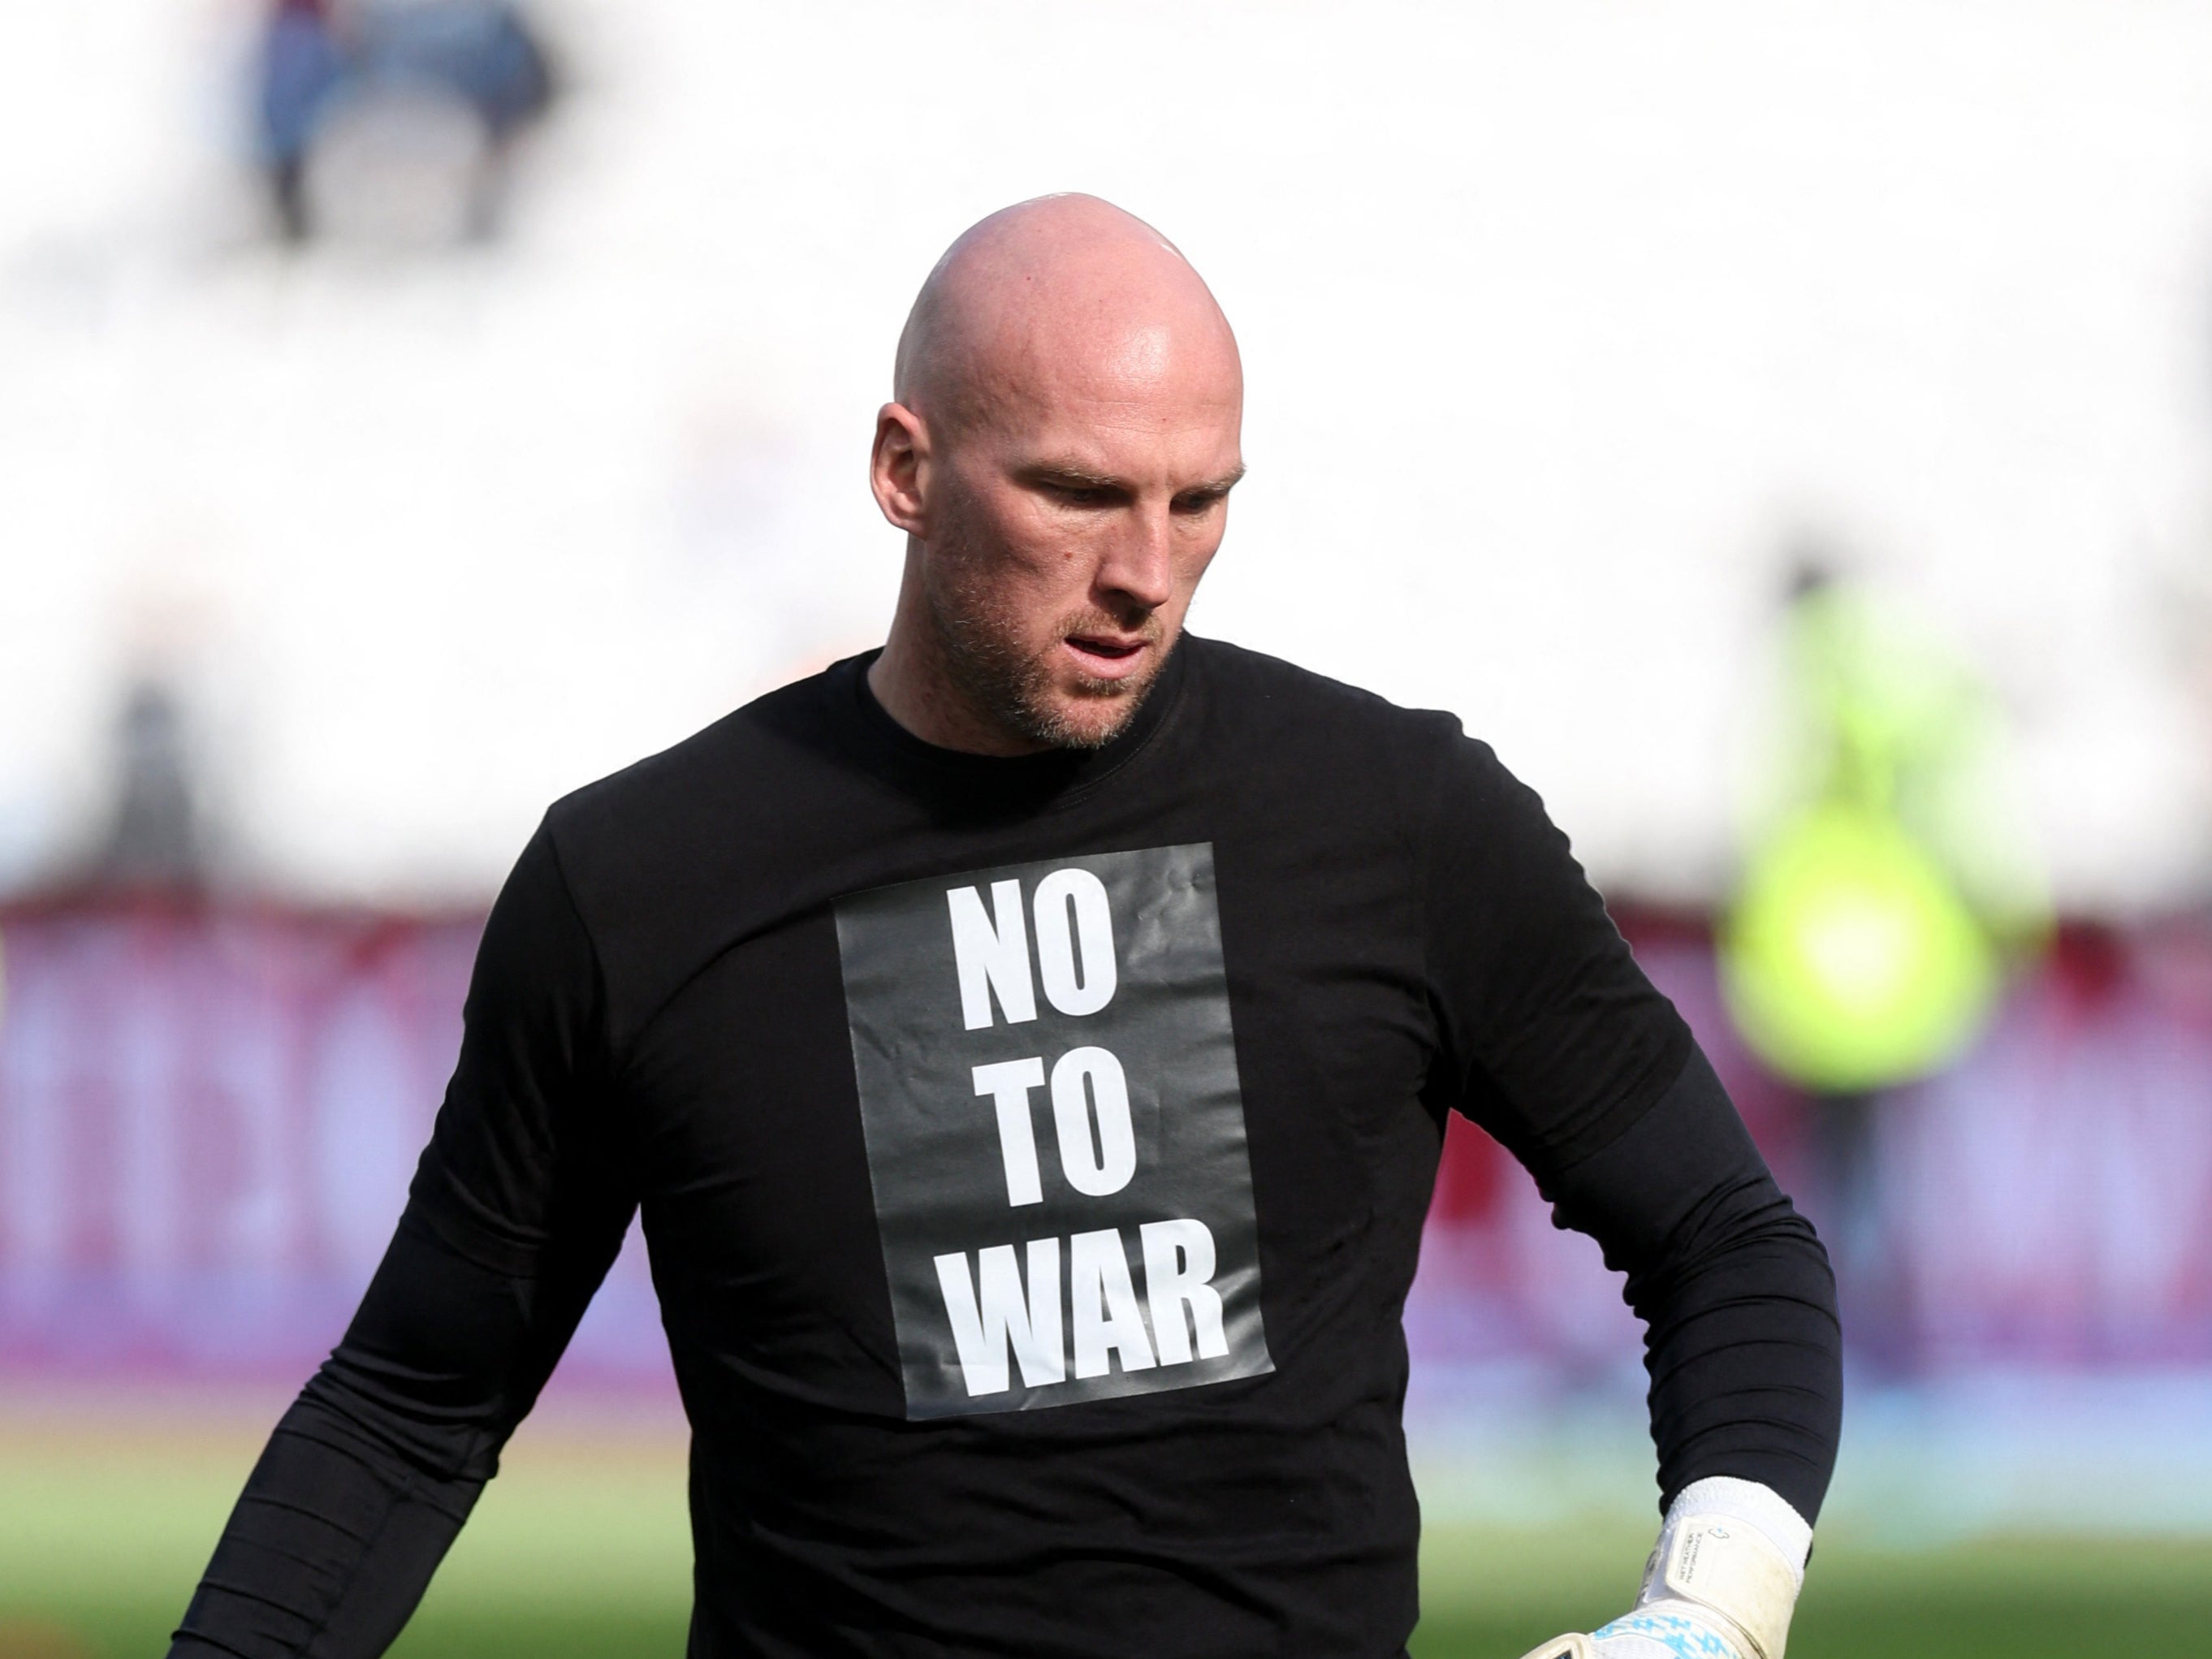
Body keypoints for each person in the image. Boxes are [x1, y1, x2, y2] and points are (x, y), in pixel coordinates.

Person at [169, 195, 1843, 1659]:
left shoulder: (1397, 817)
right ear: (906, 469)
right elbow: (413, 1402)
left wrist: (1711, 1608)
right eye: (1080, 493)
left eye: (1200, 501)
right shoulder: (640, 880)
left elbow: (1726, 1237)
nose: (1147, 570)